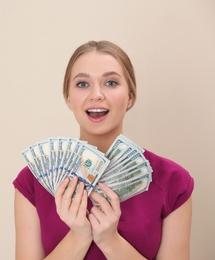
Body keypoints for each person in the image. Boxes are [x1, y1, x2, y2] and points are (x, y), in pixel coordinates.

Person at [13, 40, 194, 259]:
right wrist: (79, 236)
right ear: (68, 98)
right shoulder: (32, 181)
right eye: (82, 84)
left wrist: (111, 241)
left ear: (130, 97)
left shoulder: (173, 181)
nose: (96, 94)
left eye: (110, 82)